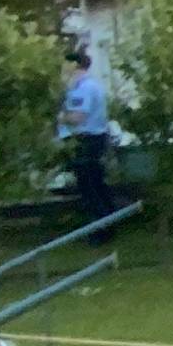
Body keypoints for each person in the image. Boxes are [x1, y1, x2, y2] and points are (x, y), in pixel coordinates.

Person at [58, 48, 116, 239]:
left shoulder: (82, 88)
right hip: (94, 139)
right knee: (97, 185)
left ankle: (101, 230)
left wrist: (60, 117)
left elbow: (78, 117)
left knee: (89, 188)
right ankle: (109, 223)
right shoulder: (92, 85)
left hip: (84, 141)